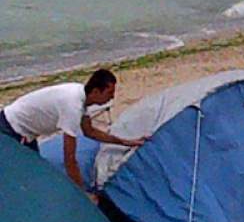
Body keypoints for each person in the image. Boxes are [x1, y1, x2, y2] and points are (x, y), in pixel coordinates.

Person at [0, 68, 144, 191]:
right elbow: (69, 158)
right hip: (12, 128)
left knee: (33, 174)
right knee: (17, 178)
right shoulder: (73, 107)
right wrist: (83, 195)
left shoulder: (81, 97)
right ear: (96, 91)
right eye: (109, 93)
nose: (112, 97)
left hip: (26, 132)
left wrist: (126, 142)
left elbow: (90, 132)